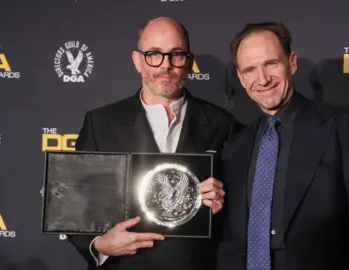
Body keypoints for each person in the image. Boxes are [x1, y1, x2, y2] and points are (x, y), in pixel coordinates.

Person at [67, 17, 240, 270]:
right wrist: (98, 243)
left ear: (189, 62)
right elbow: (73, 200)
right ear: (137, 61)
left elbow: (239, 209)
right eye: (154, 54)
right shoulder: (101, 123)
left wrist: (221, 204)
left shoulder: (223, 124)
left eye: (176, 55)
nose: (165, 65)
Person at [217, 22, 349, 270]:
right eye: (250, 70)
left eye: (271, 64)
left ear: (292, 63)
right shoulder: (237, 144)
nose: (263, 79)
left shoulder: (342, 127)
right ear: (242, 80)